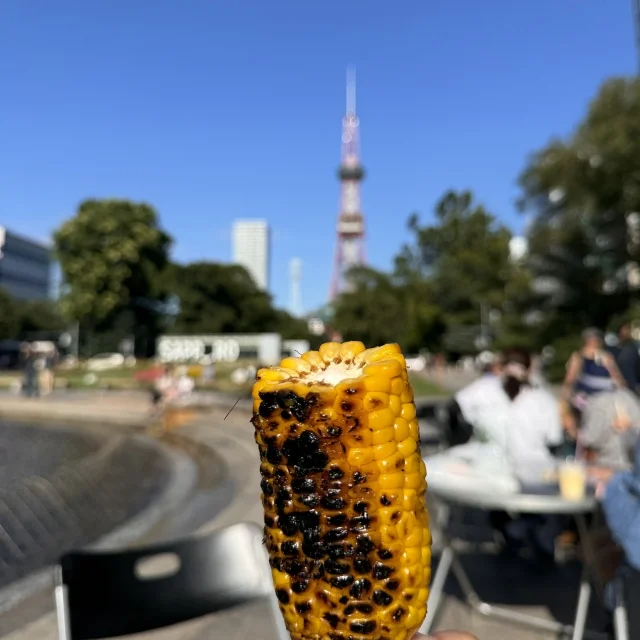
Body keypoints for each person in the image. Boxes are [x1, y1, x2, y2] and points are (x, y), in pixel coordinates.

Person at [562, 328, 626, 443]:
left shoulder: (605, 357)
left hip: (604, 397)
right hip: (586, 397)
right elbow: (570, 379)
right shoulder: (579, 356)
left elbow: (617, 378)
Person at [611, 322, 640, 395]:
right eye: (624, 330)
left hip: (634, 384)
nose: (627, 332)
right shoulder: (613, 348)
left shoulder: (634, 346)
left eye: (628, 329)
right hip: (619, 385)